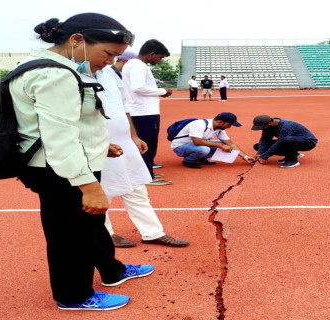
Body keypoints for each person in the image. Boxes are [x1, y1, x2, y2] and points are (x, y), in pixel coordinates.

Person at [10, 13, 153, 311]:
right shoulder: (55, 74)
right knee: (69, 236)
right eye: (108, 53)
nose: (110, 61)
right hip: (60, 169)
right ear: (77, 40)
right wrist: (88, 185)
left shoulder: (55, 67)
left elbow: (64, 123)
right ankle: (74, 296)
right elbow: (59, 138)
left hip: (63, 163)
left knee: (88, 224)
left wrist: (100, 146)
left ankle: (111, 271)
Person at [96, 53, 189, 248]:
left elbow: (123, 107)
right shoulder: (73, 74)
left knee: (137, 187)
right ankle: (105, 233)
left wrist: (133, 136)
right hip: (99, 144)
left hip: (124, 141)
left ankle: (152, 232)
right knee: (103, 191)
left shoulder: (110, 75)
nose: (111, 59)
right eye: (108, 53)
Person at [122, 40, 172, 186]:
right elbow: (138, 87)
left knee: (141, 144)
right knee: (148, 144)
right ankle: (146, 176)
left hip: (138, 110)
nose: (159, 60)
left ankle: (143, 172)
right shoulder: (138, 65)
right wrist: (162, 91)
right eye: (160, 57)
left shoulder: (131, 64)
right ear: (152, 54)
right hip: (145, 112)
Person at [171, 112, 255, 169]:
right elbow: (197, 142)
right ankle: (188, 161)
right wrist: (220, 145)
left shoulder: (220, 129)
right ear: (220, 122)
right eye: (229, 124)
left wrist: (245, 157)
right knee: (205, 149)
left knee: (226, 145)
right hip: (180, 146)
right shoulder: (199, 124)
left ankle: (201, 158)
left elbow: (231, 144)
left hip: (195, 146)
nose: (230, 127)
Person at [251, 115, 318, 168]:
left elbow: (279, 143)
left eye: (262, 127)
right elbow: (264, 140)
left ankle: (292, 160)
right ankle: (292, 153)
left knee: (287, 139)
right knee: (257, 146)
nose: (261, 129)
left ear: (270, 123)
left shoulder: (286, 126)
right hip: (288, 140)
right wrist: (259, 154)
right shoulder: (268, 127)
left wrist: (264, 156)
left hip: (308, 142)